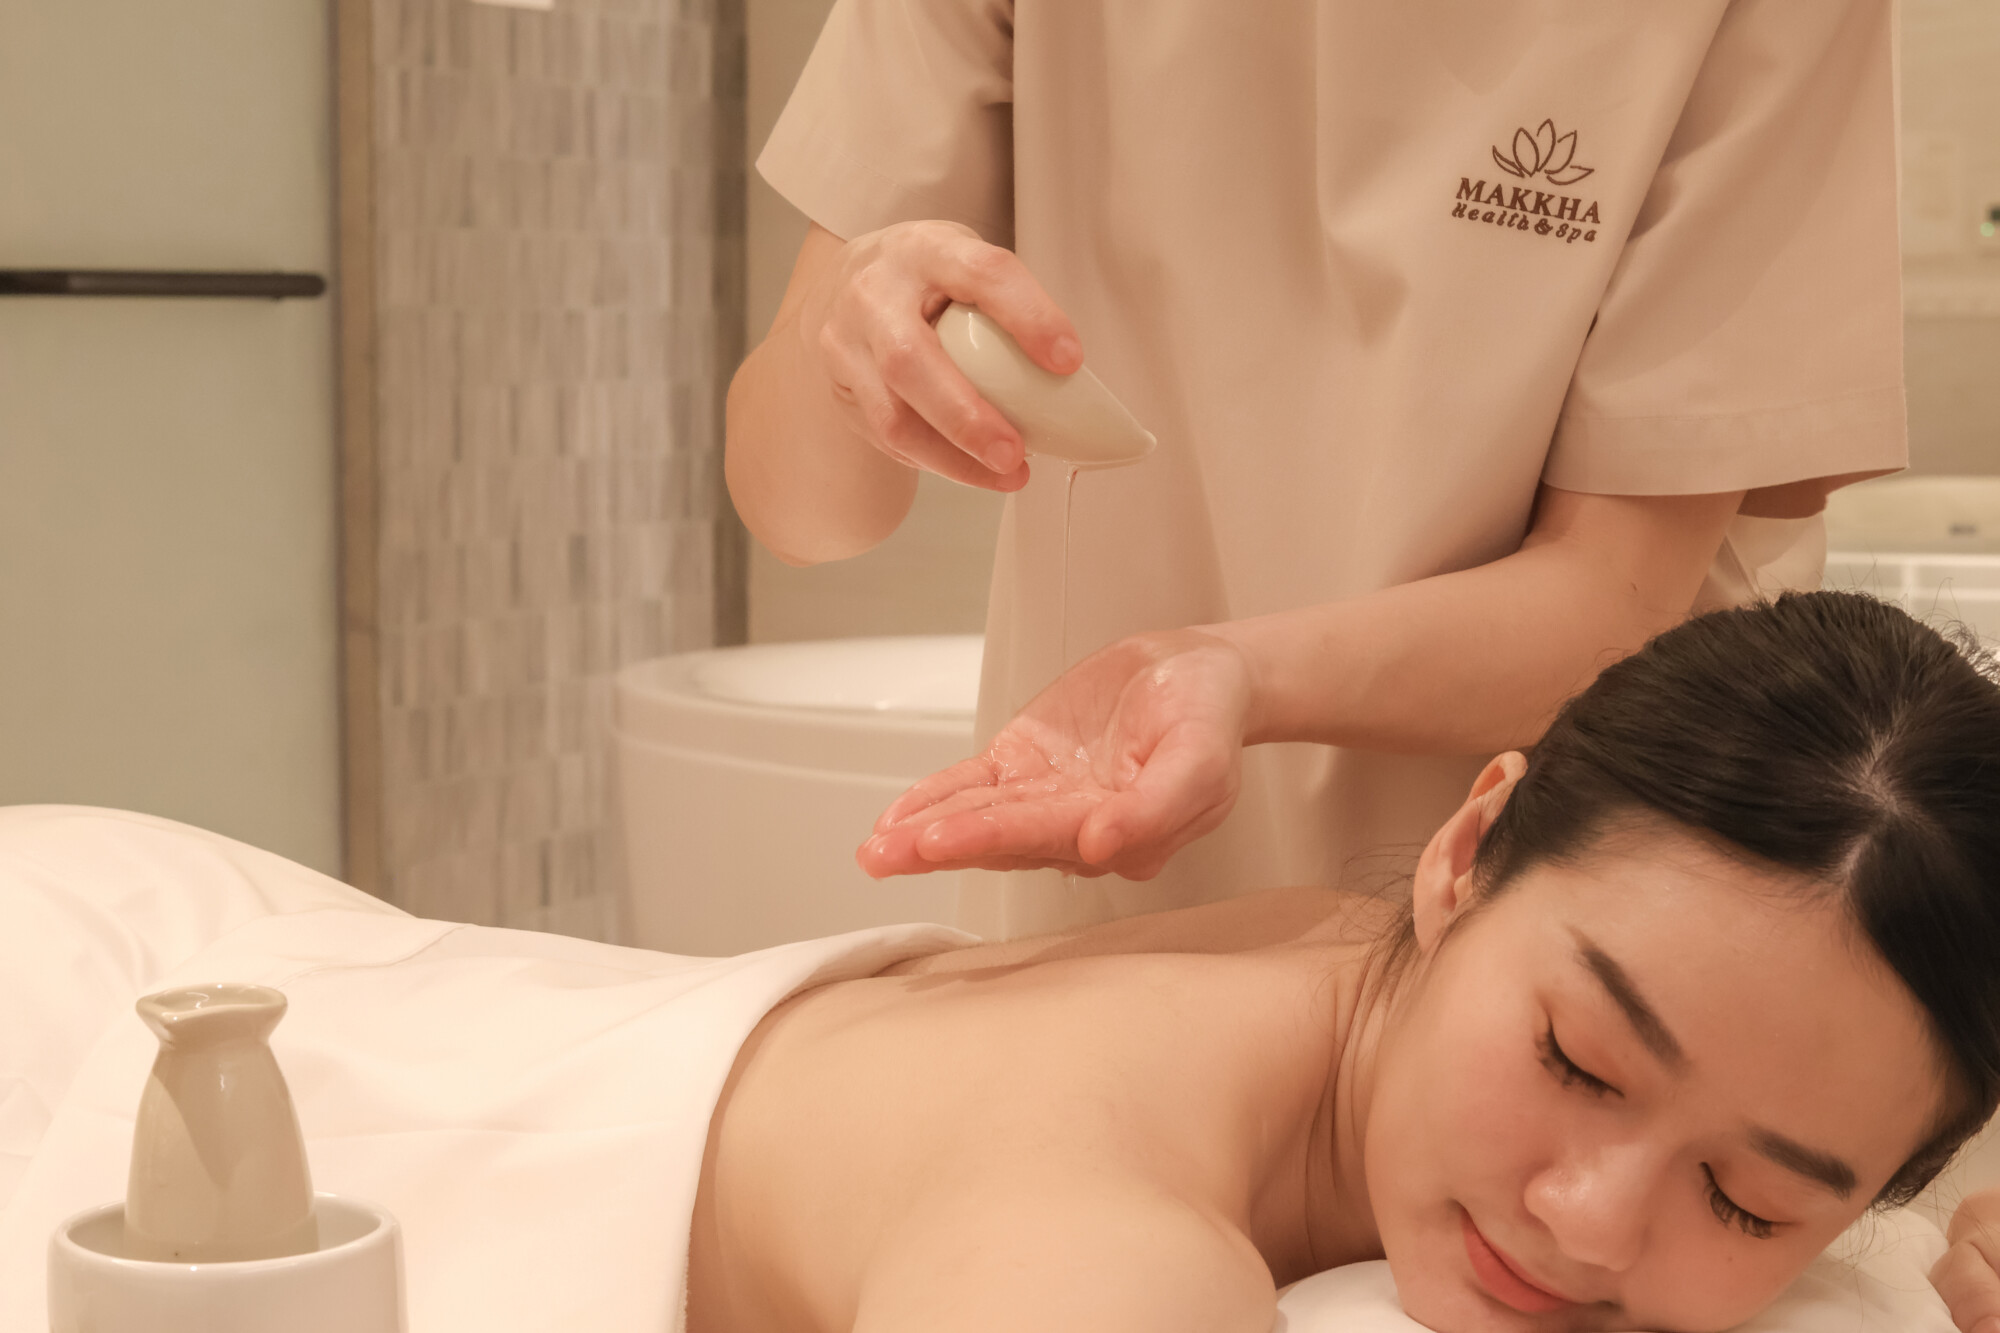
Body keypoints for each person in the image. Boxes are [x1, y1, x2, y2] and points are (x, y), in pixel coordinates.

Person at [730, 0, 1909, 935]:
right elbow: (802, 505)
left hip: (1539, 944)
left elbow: (1615, 600)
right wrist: (851, 325)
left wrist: (1223, 674)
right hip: (1106, 928)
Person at [688, 592, 2000, 1333]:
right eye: (1578, 1061)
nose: (1589, 1221)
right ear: (1466, 849)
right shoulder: (1097, 1254)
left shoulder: (1359, 965)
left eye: (1747, 1200)